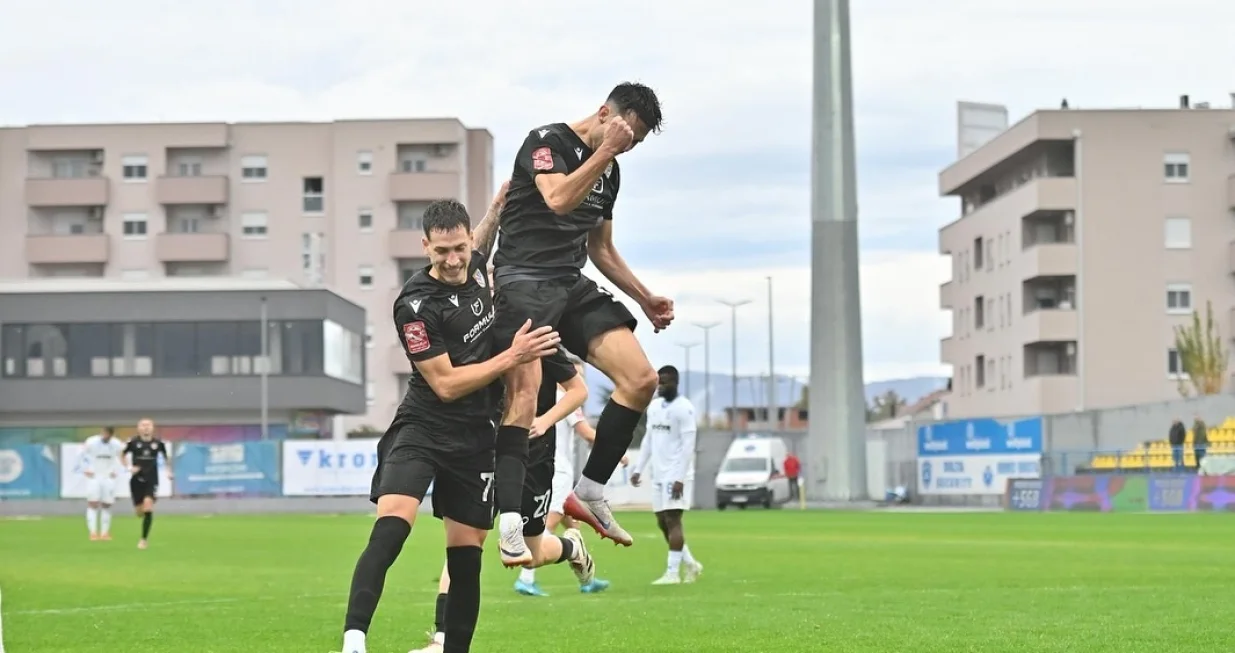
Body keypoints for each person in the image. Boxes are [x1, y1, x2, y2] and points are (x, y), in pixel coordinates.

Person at [336, 199, 561, 653]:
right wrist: (511, 357)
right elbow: (446, 384)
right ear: (425, 247)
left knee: (466, 554)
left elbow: (483, 237)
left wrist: (498, 204)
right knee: (393, 525)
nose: (455, 260)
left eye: (460, 248)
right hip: (424, 427)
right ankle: (354, 641)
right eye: (443, 252)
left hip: (477, 437)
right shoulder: (415, 307)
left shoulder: (475, 264)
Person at [489, 82, 672, 558]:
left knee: (641, 380)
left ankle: (590, 490)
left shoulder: (611, 171)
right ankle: (510, 521)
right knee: (526, 397)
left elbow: (601, 249)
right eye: (624, 136)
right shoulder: (546, 141)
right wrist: (604, 152)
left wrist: (645, 297)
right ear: (604, 112)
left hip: (569, 283)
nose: (625, 149)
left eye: (634, 144)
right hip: (523, 280)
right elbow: (557, 199)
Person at [407, 355, 602, 653]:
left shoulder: (539, 336)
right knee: (463, 544)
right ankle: (442, 639)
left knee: (532, 554)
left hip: (534, 460)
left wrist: (543, 421)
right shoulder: (479, 334)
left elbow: (579, 391)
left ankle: (572, 547)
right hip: (484, 451)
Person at [513, 352, 614, 597]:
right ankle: (526, 577)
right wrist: (616, 451)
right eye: (576, 374)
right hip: (556, 471)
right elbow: (587, 433)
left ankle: (586, 579)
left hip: (551, 468)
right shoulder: (566, 400)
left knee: (573, 522)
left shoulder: (540, 396)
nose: (579, 379)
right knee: (547, 524)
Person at [630, 366, 703, 585]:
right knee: (662, 521)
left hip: (676, 474)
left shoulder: (685, 409)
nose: (660, 387)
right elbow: (648, 440)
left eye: (665, 383)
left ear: (675, 383)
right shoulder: (654, 407)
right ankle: (690, 564)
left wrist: (680, 477)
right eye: (659, 382)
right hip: (659, 473)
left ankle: (672, 574)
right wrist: (638, 468)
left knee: (673, 519)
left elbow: (689, 446)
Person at [121, 418, 171, 550]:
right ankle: (142, 512)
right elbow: (121, 454)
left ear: (153, 428)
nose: (146, 427)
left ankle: (143, 540)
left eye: (148, 425)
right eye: (143, 425)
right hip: (136, 480)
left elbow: (166, 458)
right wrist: (129, 468)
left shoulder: (158, 443)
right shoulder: (133, 442)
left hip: (151, 480)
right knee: (140, 512)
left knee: (148, 507)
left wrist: (169, 471)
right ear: (138, 428)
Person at [80, 426, 125, 541]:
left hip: (108, 477)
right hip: (94, 476)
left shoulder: (116, 444)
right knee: (93, 503)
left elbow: (122, 457)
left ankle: (105, 533)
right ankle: (93, 532)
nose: (106, 436)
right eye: (104, 434)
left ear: (111, 435)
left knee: (107, 504)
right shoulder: (91, 442)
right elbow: (81, 455)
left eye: (108, 435)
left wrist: (117, 470)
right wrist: (84, 468)